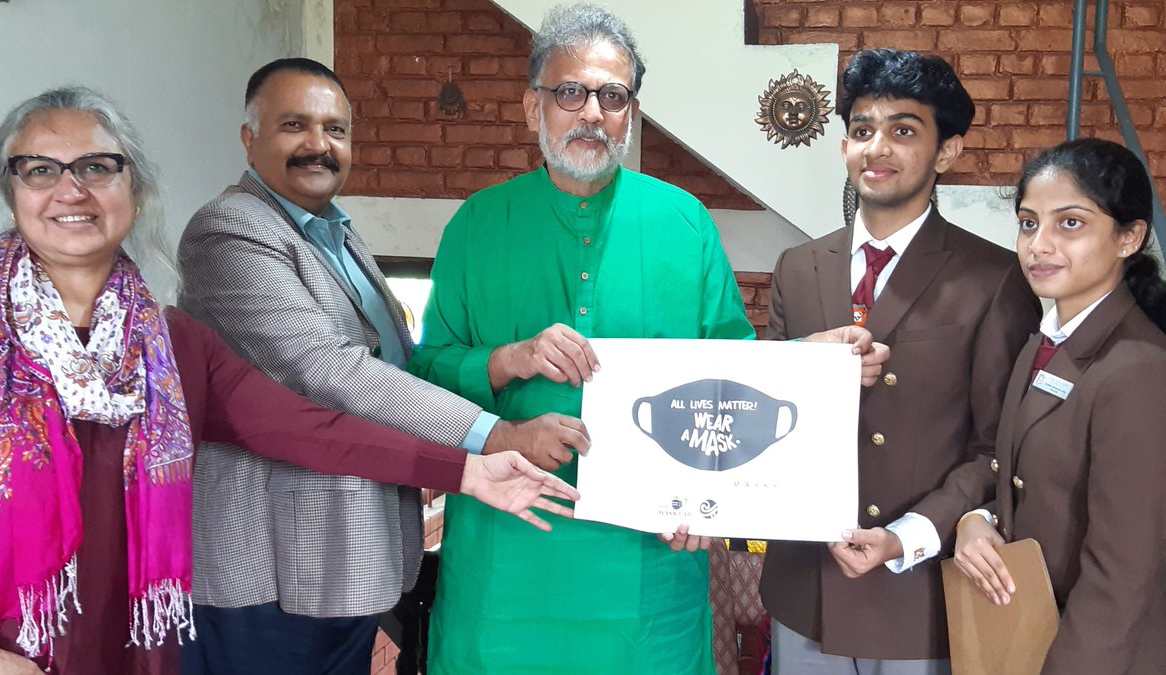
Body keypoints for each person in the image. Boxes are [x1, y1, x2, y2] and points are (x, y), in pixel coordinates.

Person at [0, 86, 579, 675]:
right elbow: (330, 374)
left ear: (135, 186)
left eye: (98, 167)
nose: (72, 189)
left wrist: (468, 471)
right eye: (40, 169)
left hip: (135, 643)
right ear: (10, 188)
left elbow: (309, 428)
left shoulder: (173, 346)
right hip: (2, 649)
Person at [407, 5, 887, 674]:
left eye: (613, 95)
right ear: (530, 107)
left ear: (631, 112)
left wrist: (809, 361)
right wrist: (507, 359)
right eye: (569, 92)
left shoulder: (683, 222)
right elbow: (422, 377)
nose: (591, 113)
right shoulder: (476, 226)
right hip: (505, 571)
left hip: (649, 568)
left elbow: (729, 380)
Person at [174, 58, 590, 674]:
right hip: (271, 570)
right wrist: (493, 433)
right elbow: (328, 370)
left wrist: (508, 360)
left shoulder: (335, 234)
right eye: (295, 125)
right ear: (249, 138)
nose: (319, 145)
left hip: (342, 565)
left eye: (335, 130)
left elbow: (400, 363)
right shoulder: (230, 230)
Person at [759, 48, 1043, 674]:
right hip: (805, 587)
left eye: (903, 130)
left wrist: (909, 535)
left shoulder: (995, 279)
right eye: (862, 130)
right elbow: (761, 413)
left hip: (919, 591)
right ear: (843, 146)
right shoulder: (798, 268)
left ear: (947, 151)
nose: (876, 147)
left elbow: (997, 447)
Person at [954, 139, 1166, 674]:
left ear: (1129, 237)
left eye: (1069, 224)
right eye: (1029, 223)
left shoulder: (1137, 369)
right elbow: (1028, 478)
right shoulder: (1045, 340)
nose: (1038, 246)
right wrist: (977, 521)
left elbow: (1121, 577)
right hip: (1028, 635)